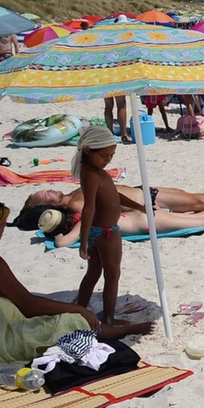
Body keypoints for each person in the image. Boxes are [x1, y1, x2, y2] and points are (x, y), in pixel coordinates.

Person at [0, 198, 149, 363]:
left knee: (9, 303)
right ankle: (122, 330)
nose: (4, 231)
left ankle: (107, 326)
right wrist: (78, 309)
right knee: (72, 321)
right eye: (2, 226)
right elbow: (29, 305)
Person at [39, 201, 204, 248]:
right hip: (146, 216)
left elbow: (62, 243)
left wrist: (56, 235)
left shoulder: (82, 223)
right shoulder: (87, 212)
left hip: (150, 223)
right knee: (198, 218)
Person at [71, 127, 125, 321]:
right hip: (106, 232)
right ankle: (109, 318)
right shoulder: (93, 174)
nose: (108, 160)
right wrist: (83, 239)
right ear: (88, 151)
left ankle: (79, 311)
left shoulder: (92, 171)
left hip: (97, 231)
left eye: (111, 156)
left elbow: (114, 196)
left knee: (93, 273)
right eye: (104, 156)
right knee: (112, 276)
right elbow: (89, 207)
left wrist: (141, 206)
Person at [25, 181, 204, 215]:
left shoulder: (73, 192)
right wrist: (140, 209)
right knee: (196, 205)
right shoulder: (76, 203)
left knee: (186, 196)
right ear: (46, 205)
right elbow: (111, 209)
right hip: (146, 200)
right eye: (46, 195)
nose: (51, 190)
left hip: (142, 191)